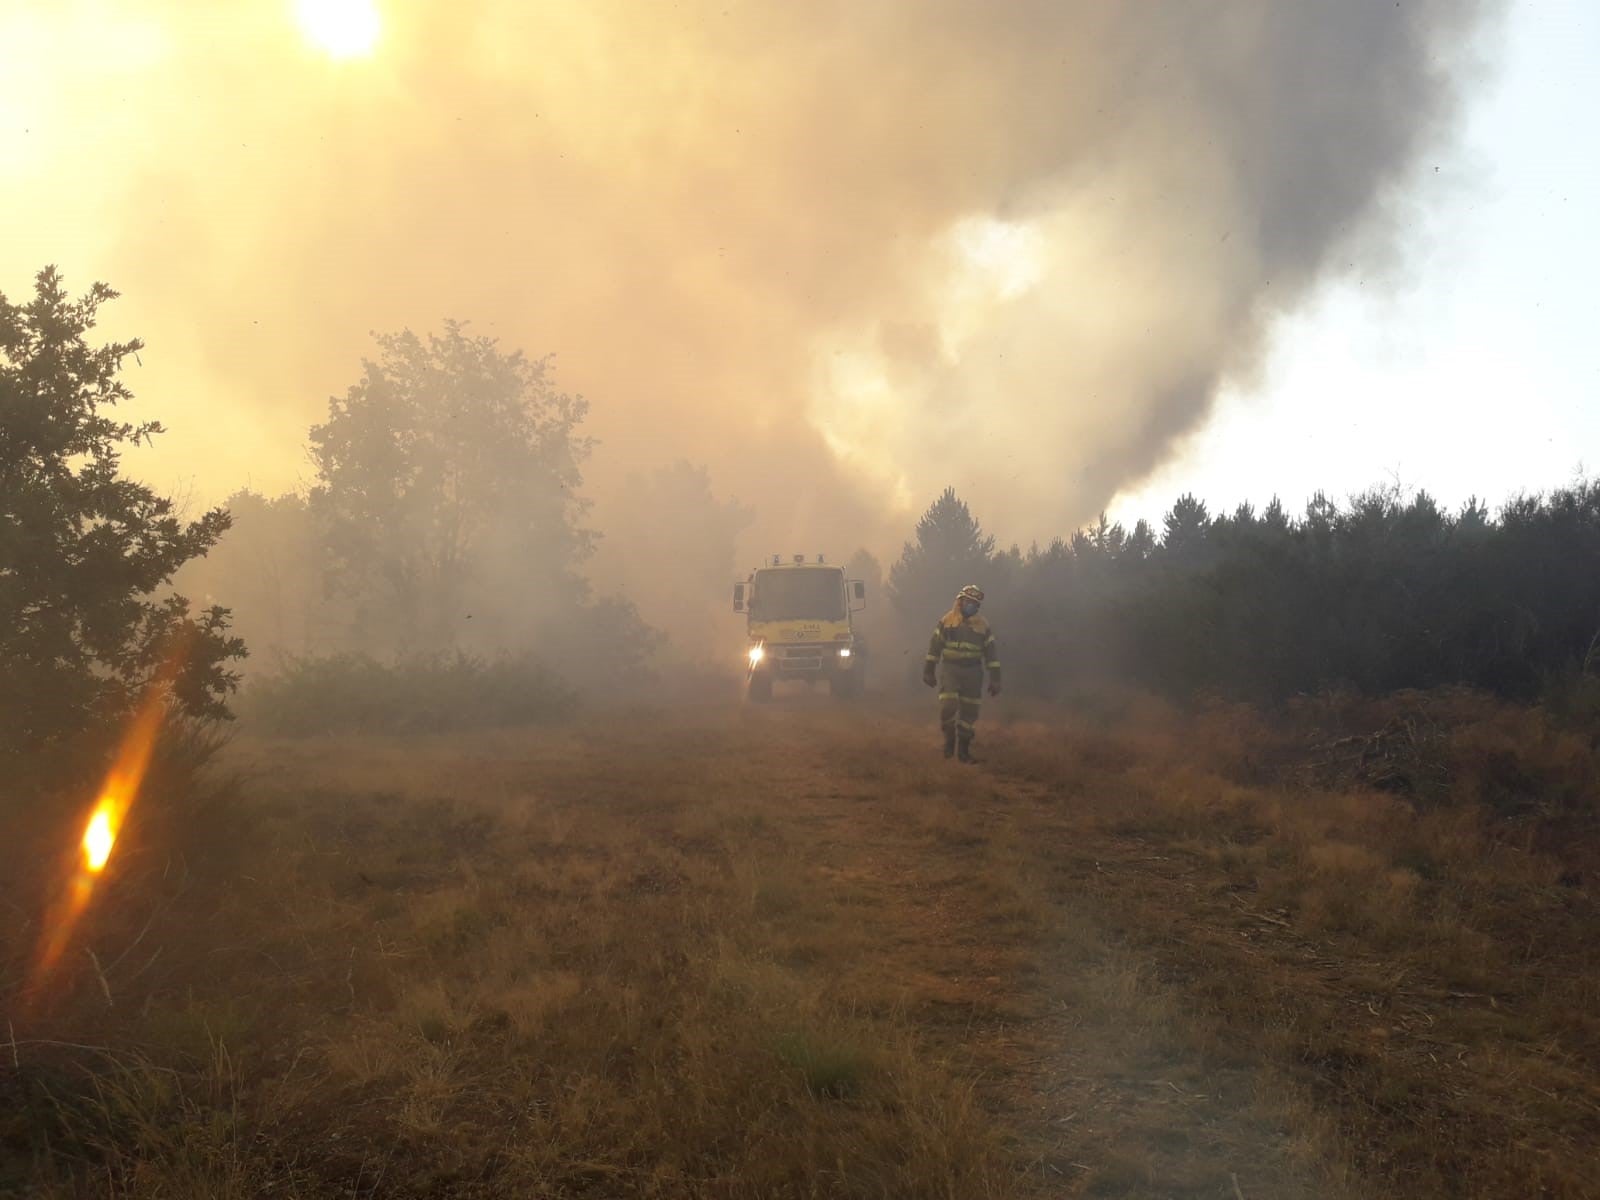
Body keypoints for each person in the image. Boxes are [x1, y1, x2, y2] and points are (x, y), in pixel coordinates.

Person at [922, 584, 1001, 762]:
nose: (970, 605)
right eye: (967, 601)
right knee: (948, 706)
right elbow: (935, 646)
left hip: (973, 672)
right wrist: (929, 670)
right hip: (951, 669)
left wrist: (995, 679)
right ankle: (949, 741)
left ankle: (963, 751)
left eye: (974, 603)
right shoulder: (947, 621)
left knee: (969, 713)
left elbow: (991, 654)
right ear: (960, 601)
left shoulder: (983, 626)